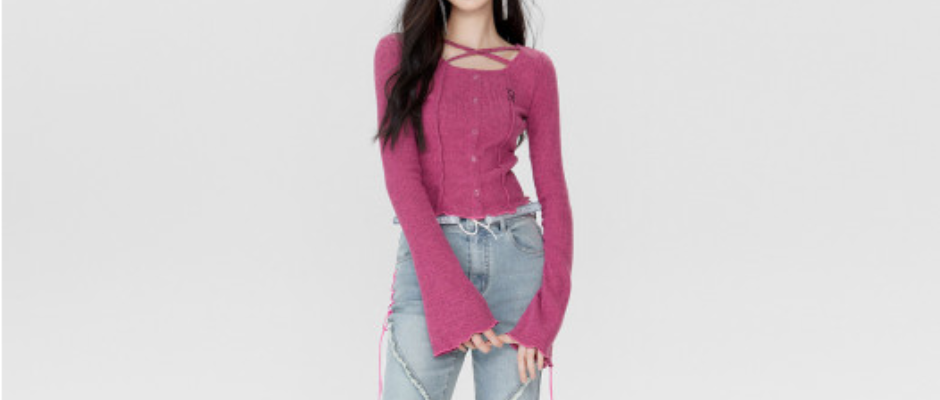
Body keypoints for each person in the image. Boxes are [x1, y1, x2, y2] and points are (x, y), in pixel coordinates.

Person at [372, 1, 573, 399]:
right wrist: (451, 295)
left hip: (517, 264)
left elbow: (554, 193)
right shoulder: (398, 53)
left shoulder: (534, 70)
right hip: (430, 266)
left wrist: (546, 317)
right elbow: (402, 181)